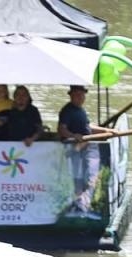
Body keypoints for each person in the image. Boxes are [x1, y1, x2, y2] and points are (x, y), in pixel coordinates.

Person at [56, 84, 111, 213]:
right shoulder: (67, 111)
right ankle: (79, 206)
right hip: (75, 149)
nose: (80, 97)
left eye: (82, 95)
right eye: (77, 95)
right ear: (71, 95)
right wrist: (73, 136)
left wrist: (108, 131)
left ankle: (83, 204)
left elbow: (87, 127)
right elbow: (61, 129)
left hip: (87, 147)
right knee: (77, 179)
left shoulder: (80, 110)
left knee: (91, 178)